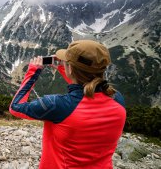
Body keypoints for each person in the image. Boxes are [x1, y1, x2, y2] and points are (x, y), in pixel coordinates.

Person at [9, 40, 126, 168]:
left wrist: (33, 71)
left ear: (70, 68)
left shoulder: (58, 105)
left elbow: (16, 107)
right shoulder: (117, 99)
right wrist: (65, 68)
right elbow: (85, 89)